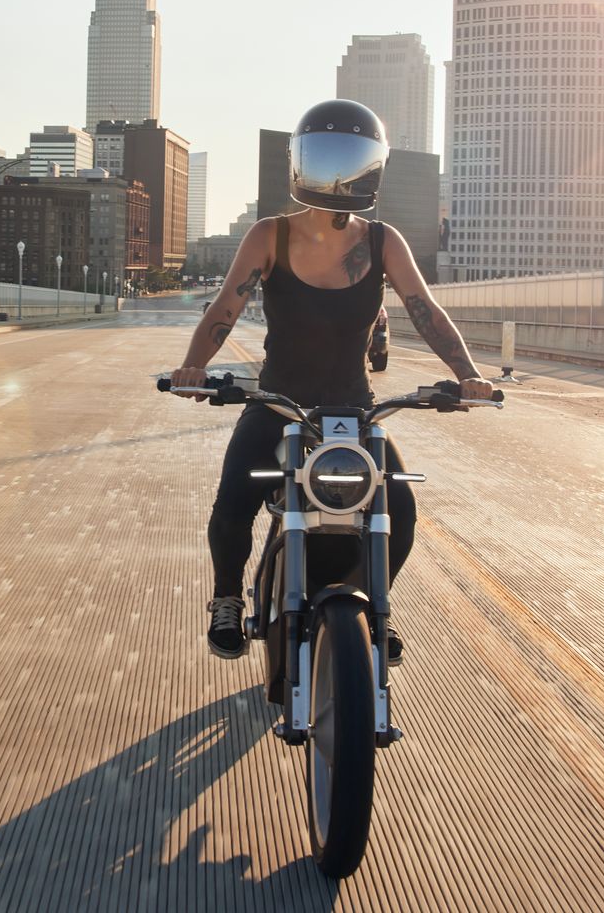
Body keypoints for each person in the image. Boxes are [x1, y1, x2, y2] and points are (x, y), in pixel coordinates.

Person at [168, 100, 495, 664]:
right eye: (327, 157)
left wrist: (467, 376)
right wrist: (193, 369)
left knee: (399, 505)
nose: (338, 173)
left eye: (352, 159)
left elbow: (424, 309)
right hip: (279, 404)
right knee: (233, 500)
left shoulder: (381, 240)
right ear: (302, 163)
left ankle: (375, 604)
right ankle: (226, 599)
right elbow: (225, 307)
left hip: (354, 410)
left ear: (373, 168)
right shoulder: (269, 236)